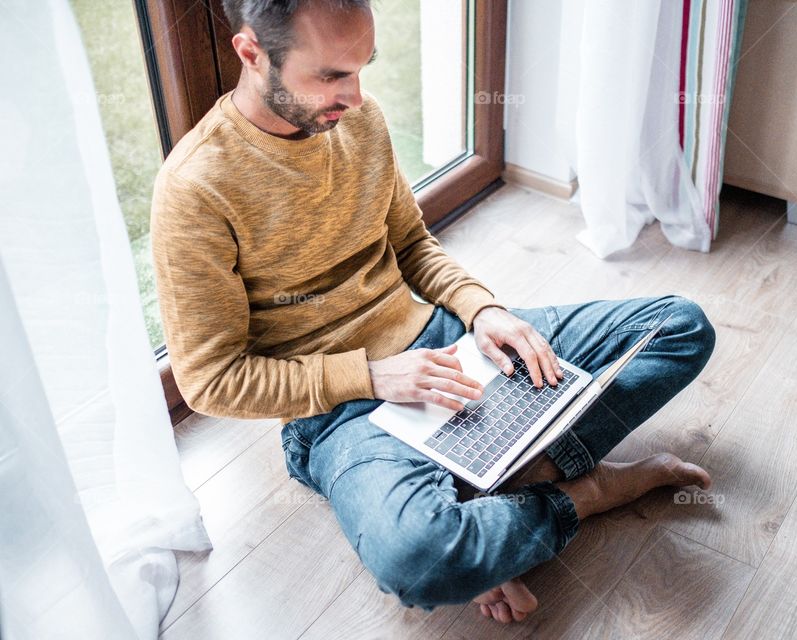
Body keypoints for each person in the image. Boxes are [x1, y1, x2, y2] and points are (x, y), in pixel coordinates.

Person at [151, 0, 716, 624]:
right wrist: (369, 376)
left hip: (443, 342)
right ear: (250, 52)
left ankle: (494, 488)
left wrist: (483, 311)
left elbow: (413, 245)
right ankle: (584, 490)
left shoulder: (358, 123)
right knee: (421, 556)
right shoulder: (196, 188)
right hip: (338, 413)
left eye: (363, 68)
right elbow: (210, 380)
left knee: (679, 326)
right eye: (331, 75)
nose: (356, 98)